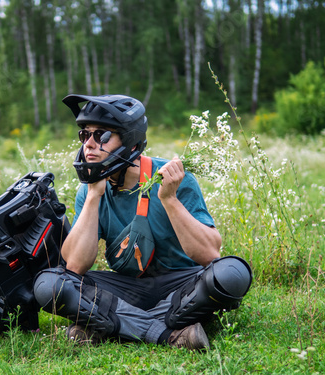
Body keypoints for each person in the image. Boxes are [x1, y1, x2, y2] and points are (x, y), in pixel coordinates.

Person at [33, 94, 252, 349]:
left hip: (181, 288)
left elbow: (209, 254)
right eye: (85, 135)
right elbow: (76, 266)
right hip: (127, 289)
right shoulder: (91, 190)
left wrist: (170, 199)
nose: (88, 145)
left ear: (129, 139)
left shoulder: (175, 179)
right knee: (50, 285)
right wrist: (93, 195)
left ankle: (110, 325)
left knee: (232, 274)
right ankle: (169, 334)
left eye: (101, 135)